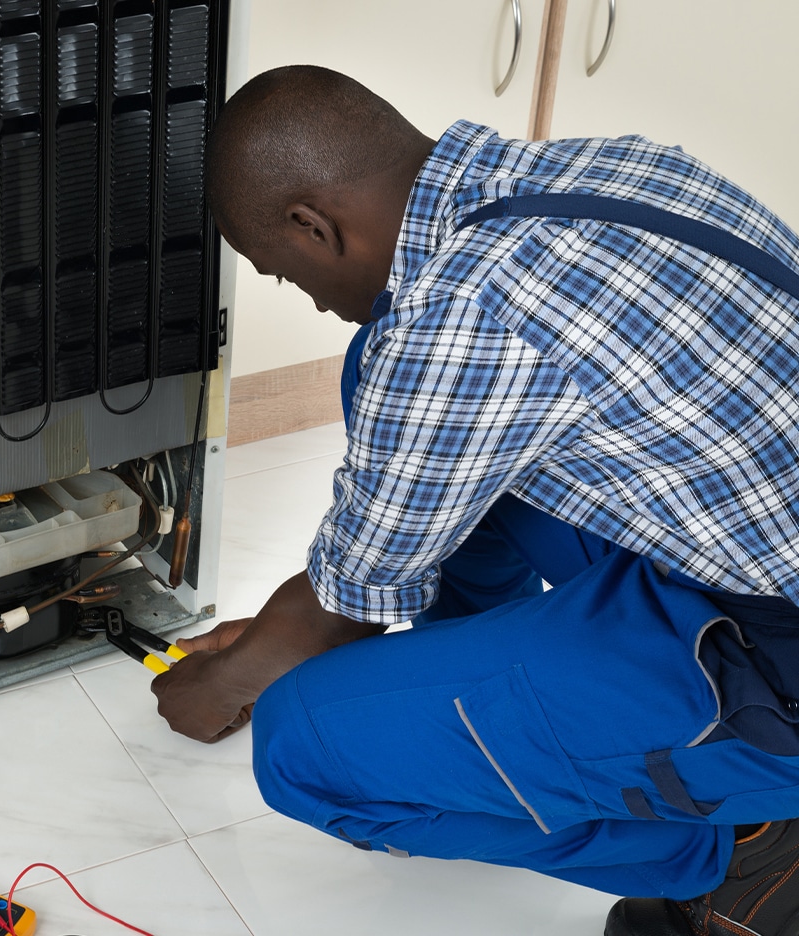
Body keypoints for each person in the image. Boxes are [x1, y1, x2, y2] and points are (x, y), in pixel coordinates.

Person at [149, 65, 799, 936]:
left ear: (313, 223)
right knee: (374, 369)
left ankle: (747, 851)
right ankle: (468, 668)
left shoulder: (462, 311)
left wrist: (227, 681)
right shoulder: (609, 167)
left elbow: (343, 603)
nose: (309, 298)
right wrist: (283, 634)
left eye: (286, 272)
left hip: (773, 655)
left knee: (305, 743)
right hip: (745, 552)